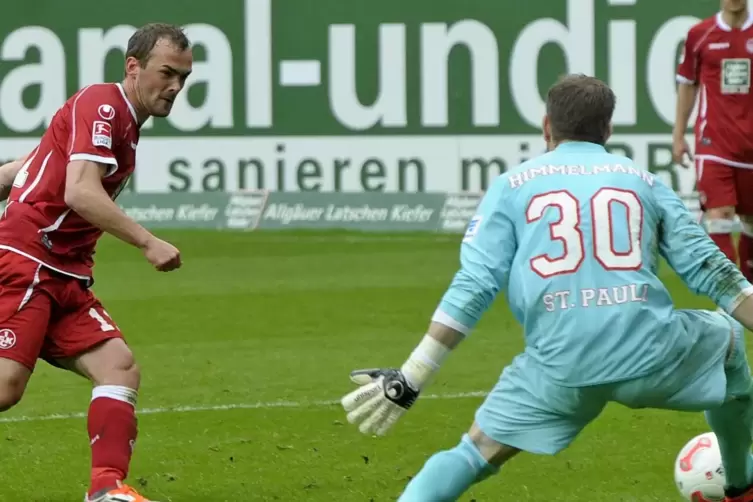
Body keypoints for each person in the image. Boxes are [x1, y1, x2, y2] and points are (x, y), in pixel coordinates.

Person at [342, 74, 753, 502]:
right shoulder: (643, 181)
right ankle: (741, 484)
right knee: (727, 338)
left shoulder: (510, 186)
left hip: (558, 367)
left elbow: (475, 285)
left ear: (546, 127)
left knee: (473, 452)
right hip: (649, 352)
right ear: (607, 130)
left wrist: (411, 377)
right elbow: (713, 272)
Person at [0, 23, 192, 502]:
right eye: (167, 73)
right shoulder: (104, 104)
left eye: (184, 77)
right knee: (4, 387)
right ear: (133, 66)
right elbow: (80, 192)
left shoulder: (117, 122)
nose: (175, 87)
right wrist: (147, 242)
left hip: (65, 275)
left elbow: (28, 168)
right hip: (29, 262)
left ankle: (106, 489)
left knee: (119, 367)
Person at [674, 0, 753, 280]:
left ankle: (747, 299)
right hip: (715, 144)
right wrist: (678, 134)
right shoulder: (701, 34)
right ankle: (727, 301)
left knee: (750, 226)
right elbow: (687, 83)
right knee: (719, 216)